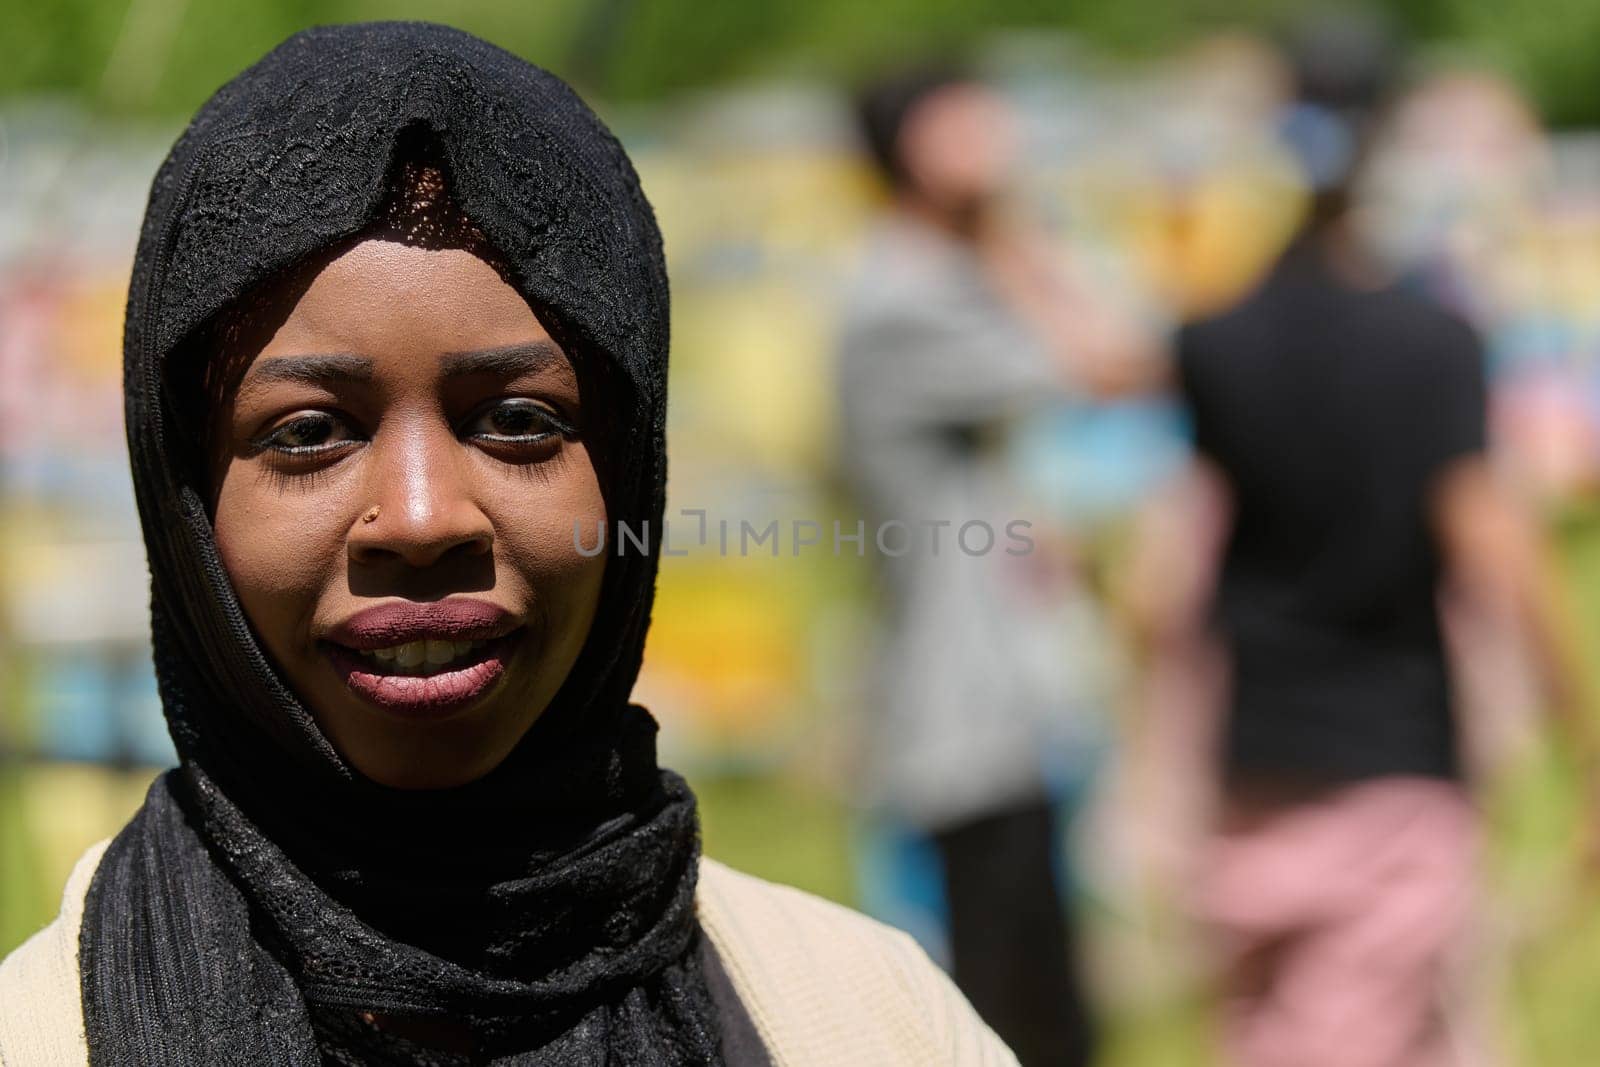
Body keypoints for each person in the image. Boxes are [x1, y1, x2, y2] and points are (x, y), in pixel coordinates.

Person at [0, 23, 1016, 1066]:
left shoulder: (865, 1020)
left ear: (628, 464)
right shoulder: (42, 1035)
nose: (424, 515)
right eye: (308, 432)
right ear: (185, 502)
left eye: (518, 420)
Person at [1167, 19, 1600, 1066]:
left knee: (1266, 1024)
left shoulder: (1209, 340)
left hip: (1252, 752)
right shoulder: (1430, 342)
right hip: (1391, 755)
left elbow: (1183, 554)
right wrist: (1583, 743)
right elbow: (1496, 548)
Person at [835, 63, 1162, 1067]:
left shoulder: (930, 275)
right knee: (1005, 1001)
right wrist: (1003, 219)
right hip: (963, 700)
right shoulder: (907, 294)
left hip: (995, 686)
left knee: (1033, 974)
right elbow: (1113, 359)